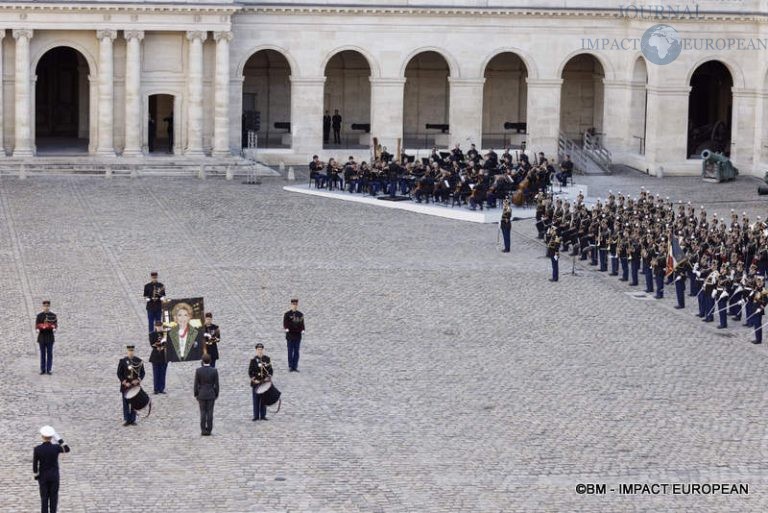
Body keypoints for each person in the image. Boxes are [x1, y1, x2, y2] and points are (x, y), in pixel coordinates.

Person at [33, 425, 70, 513]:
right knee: (54, 497)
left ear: (42, 436)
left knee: (44, 498)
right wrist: (58, 438)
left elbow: (35, 465)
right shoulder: (56, 447)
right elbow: (67, 449)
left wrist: (36, 476)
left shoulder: (37, 449)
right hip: (54, 476)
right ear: (51, 437)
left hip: (43, 477)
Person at [117, 345, 145, 426]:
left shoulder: (138, 361)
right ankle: (127, 419)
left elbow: (142, 373)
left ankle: (133, 419)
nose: (131, 353)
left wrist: (138, 380)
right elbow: (119, 373)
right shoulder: (123, 361)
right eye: (129, 351)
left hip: (134, 385)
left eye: (132, 351)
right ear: (127, 352)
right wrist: (124, 381)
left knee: (134, 403)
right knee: (125, 403)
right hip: (126, 385)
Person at [194, 354, 219, 436]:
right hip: (211, 393)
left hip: (201, 394)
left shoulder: (198, 370)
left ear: (202, 361)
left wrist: (196, 394)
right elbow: (216, 384)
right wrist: (216, 393)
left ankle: (203, 429)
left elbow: (196, 384)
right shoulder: (214, 370)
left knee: (203, 412)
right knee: (210, 412)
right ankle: (209, 429)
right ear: (210, 361)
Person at [249, 343, 274, 421]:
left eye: (261, 349)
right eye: (258, 350)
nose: (260, 351)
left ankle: (263, 415)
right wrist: (254, 379)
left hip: (264, 382)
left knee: (263, 399)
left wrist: (268, 377)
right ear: (256, 350)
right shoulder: (253, 360)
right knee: (256, 400)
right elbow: (250, 371)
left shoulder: (267, 359)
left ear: (263, 350)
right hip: (256, 383)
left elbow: (270, 370)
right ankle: (256, 416)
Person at [35, 300, 58, 375]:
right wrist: (38, 329)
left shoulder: (53, 315)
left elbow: (55, 324)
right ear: (43, 306)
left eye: (47, 306)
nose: (46, 307)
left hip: (50, 337)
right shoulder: (39, 315)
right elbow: (37, 325)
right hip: (41, 337)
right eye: (45, 306)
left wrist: (54, 328)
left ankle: (49, 369)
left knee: (49, 354)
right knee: (42, 354)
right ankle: (42, 369)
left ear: (49, 306)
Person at [283, 298, 305, 372]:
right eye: (293, 304)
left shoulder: (300, 314)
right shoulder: (287, 314)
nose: (294, 306)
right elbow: (285, 323)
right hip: (290, 335)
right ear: (291, 305)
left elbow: (302, 323)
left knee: (296, 351)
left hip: (297, 335)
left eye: (296, 304)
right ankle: (290, 366)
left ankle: (295, 366)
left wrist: (303, 329)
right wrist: (286, 328)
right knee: (290, 351)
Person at [148, 320, 169, 394]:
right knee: (156, 373)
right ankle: (156, 389)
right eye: (158, 326)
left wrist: (164, 345)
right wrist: (160, 344)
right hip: (156, 356)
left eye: (160, 326)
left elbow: (168, 344)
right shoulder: (152, 334)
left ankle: (162, 388)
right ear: (155, 327)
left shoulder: (166, 334)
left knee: (163, 373)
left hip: (164, 356)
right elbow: (152, 344)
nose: (159, 328)